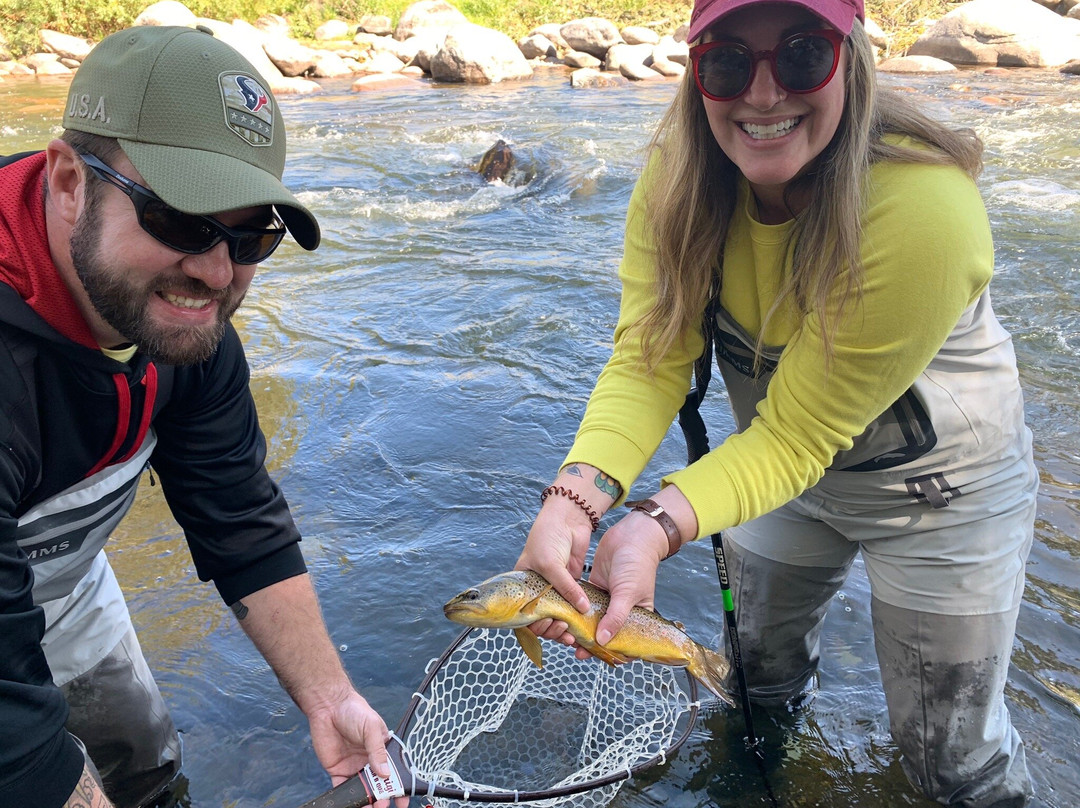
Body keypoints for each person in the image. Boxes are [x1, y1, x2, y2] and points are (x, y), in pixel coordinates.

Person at [515, 0, 1037, 805]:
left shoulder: (924, 210)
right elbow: (651, 358)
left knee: (951, 765)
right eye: (727, 60)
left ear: (851, 58)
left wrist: (652, 527)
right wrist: (577, 497)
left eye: (801, 54)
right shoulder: (678, 176)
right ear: (697, 73)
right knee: (752, 685)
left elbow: (799, 434)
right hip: (777, 472)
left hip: (940, 502)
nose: (762, 95)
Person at [0, 25, 407, 808]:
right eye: (184, 220)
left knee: (145, 773)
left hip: (63, 580)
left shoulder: (183, 325)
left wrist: (330, 700)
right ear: (65, 181)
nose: (217, 272)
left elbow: (238, 515)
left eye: (252, 235)